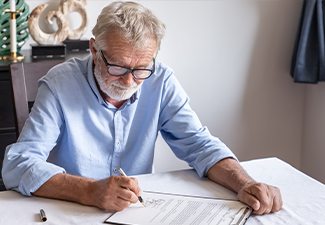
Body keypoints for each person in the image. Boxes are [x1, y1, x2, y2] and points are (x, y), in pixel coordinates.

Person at [2, 1, 282, 214]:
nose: (128, 80)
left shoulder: (161, 81)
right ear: (93, 50)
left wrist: (244, 183)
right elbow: (17, 165)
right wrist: (89, 191)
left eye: (141, 69)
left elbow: (200, 145)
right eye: (118, 66)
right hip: (70, 212)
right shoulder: (59, 85)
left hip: (133, 214)